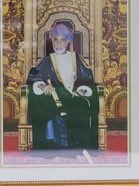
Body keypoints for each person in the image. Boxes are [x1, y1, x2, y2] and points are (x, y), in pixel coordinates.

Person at [25, 20, 99, 150]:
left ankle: (78, 148)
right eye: (56, 40)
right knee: (47, 110)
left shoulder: (77, 59)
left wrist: (81, 91)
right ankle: (53, 148)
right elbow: (33, 78)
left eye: (63, 40)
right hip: (53, 99)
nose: (59, 44)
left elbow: (87, 80)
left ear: (68, 41)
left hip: (74, 98)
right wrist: (42, 86)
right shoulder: (46, 60)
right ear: (52, 40)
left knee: (81, 109)